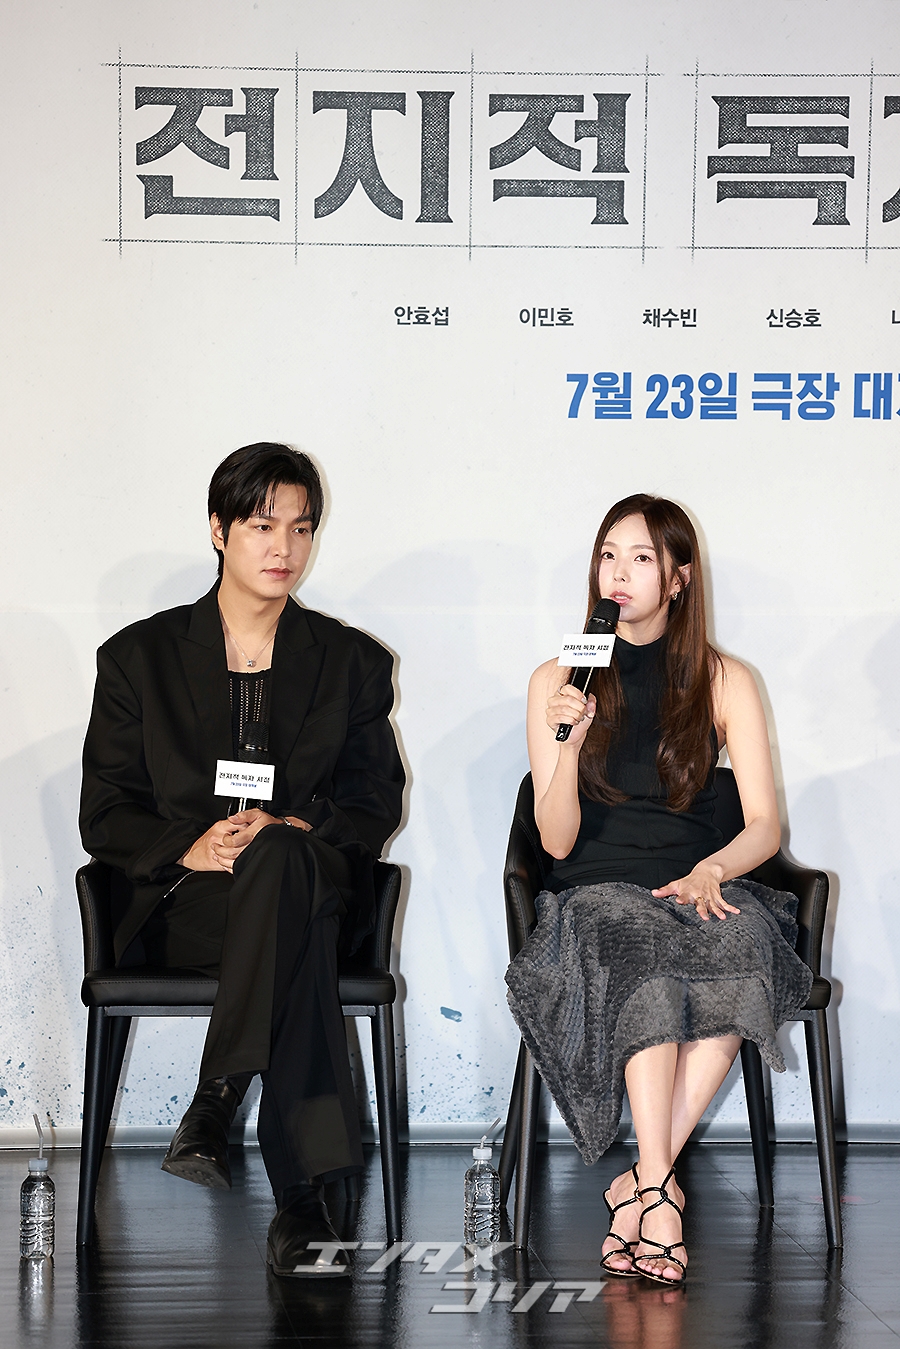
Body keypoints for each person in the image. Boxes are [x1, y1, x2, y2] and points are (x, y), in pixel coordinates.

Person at [80, 442, 404, 1277]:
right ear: (219, 530)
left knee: (285, 860)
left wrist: (293, 823)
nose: (284, 547)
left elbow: (376, 801)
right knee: (293, 934)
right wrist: (191, 846)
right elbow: (105, 812)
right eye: (262, 525)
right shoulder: (139, 658)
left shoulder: (350, 661)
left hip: (310, 888)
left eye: (301, 528)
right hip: (191, 905)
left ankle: (218, 1097)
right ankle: (304, 1200)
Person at [505, 494, 813, 1286]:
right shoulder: (556, 677)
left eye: (641, 557)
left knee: (744, 943)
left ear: (678, 578)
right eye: (609, 554)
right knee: (640, 946)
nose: (619, 572)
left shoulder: (721, 677)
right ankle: (658, 1197)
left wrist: (713, 869)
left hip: (695, 881)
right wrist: (566, 741)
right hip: (596, 890)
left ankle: (642, 1183)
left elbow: (763, 826)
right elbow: (555, 840)